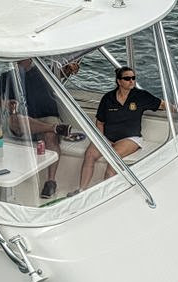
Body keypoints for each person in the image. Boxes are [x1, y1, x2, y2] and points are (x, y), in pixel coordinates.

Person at [0, 59, 78, 199]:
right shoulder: (8, 77)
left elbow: (63, 72)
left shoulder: (44, 71)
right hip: (24, 122)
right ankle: (55, 128)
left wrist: (70, 68)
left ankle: (50, 182)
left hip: (47, 116)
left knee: (50, 137)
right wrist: (3, 103)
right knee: (15, 120)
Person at [69, 66, 165, 196]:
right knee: (89, 155)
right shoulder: (108, 98)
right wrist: (102, 139)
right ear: (119, 81)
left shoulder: (141, 96)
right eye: (127, 78)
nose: (131, 81)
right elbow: (100, 122)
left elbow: (162, 104)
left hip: (130, 138)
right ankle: (81, 191)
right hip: (106, 137)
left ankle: (106, 195)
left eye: (133, 78)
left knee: (113, 158)